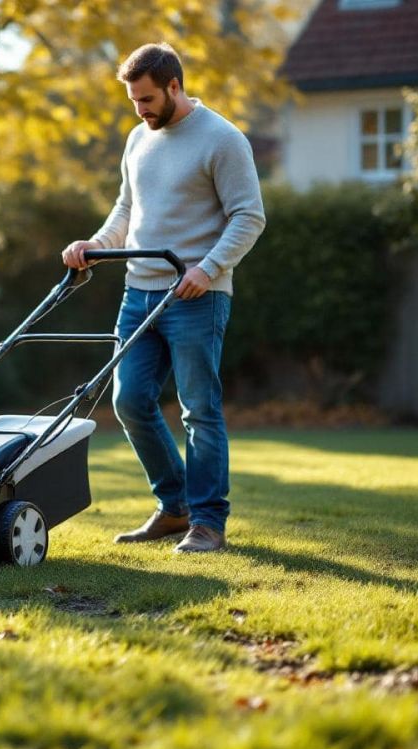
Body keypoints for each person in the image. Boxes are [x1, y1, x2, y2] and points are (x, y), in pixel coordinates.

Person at [61, 42, 265, 553]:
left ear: (174, 85)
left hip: (197, 294)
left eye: (148, 98)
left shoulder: (222, 139)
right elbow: (127, 209)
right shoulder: (138, 138)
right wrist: (96, 244)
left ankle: (208, 523)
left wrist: (209, 267)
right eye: (134, 100)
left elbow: (249, 216)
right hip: (139, 293)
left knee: (199, 410)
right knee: (129, 401)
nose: (141, 110)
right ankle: (175, 508)